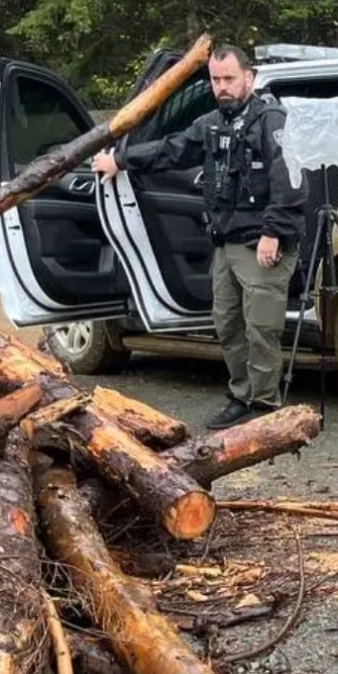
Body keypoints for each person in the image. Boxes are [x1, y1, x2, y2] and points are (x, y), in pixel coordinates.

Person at [93, 45, 305, 430]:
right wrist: (121, 160)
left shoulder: (271, 120)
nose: (222, 87)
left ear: (249, 78)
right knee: (226, 324)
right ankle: (242, 396)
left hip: (262, 241)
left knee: (262, 328)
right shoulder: (212, 124)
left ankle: (265, 406)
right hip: (226, 242)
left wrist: (273, 232)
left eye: (229, 79)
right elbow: (173, 150)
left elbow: (288, 181)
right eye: (215, 80)